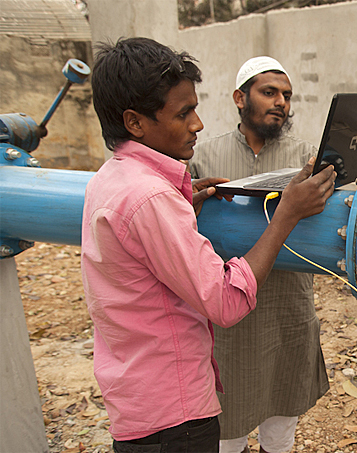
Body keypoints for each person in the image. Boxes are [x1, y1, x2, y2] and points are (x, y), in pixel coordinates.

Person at [81, 38, 335, 451]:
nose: (197, 124)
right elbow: (224, 302)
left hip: (141, 396)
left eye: (286, 95)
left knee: (281, 421)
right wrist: (286, 213)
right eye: (184, 113)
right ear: (134, 122)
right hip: (173, 413)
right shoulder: (153, 195)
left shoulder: (111, 178)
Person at [188, 57, 329, 453]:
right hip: (228, 319)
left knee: (280, 431)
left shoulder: (309, 159)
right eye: (269, 92)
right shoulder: (205, 156)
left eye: (286, 95)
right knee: (226, 433)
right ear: (239, 97)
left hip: (288, 311)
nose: (280, 101)